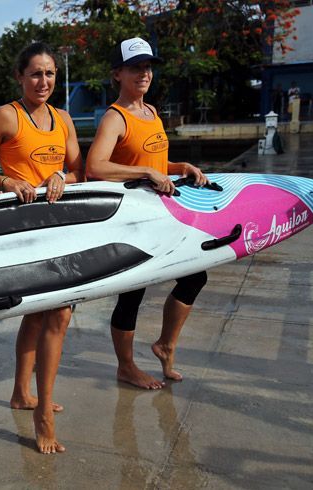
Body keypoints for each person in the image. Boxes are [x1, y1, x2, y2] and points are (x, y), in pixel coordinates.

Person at [0, 42, 83, 454]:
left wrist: (61, 177)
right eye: (35, 73)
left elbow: (76, 167)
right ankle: (43, 412)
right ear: (20, 77)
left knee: (47, 314)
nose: (44, 81)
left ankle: (22, 393)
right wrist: (6, 181)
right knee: (54, 314)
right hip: (24, 227)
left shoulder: (63, 118)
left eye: (49, 73)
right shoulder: (6, 117)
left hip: (62, 224)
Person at [85, 37, 209, 390]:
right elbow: (96, 166)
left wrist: (179, 166)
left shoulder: (151, 112)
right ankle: (126, 366)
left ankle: (165, 344)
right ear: (117, 74)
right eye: (135, 67)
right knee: (132, 292)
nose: (143, 73)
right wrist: (145, 174)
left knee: (194, 276)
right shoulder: (116, 117)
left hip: (163, 211)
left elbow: (153, 163)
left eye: (147, 67)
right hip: (132, 217)